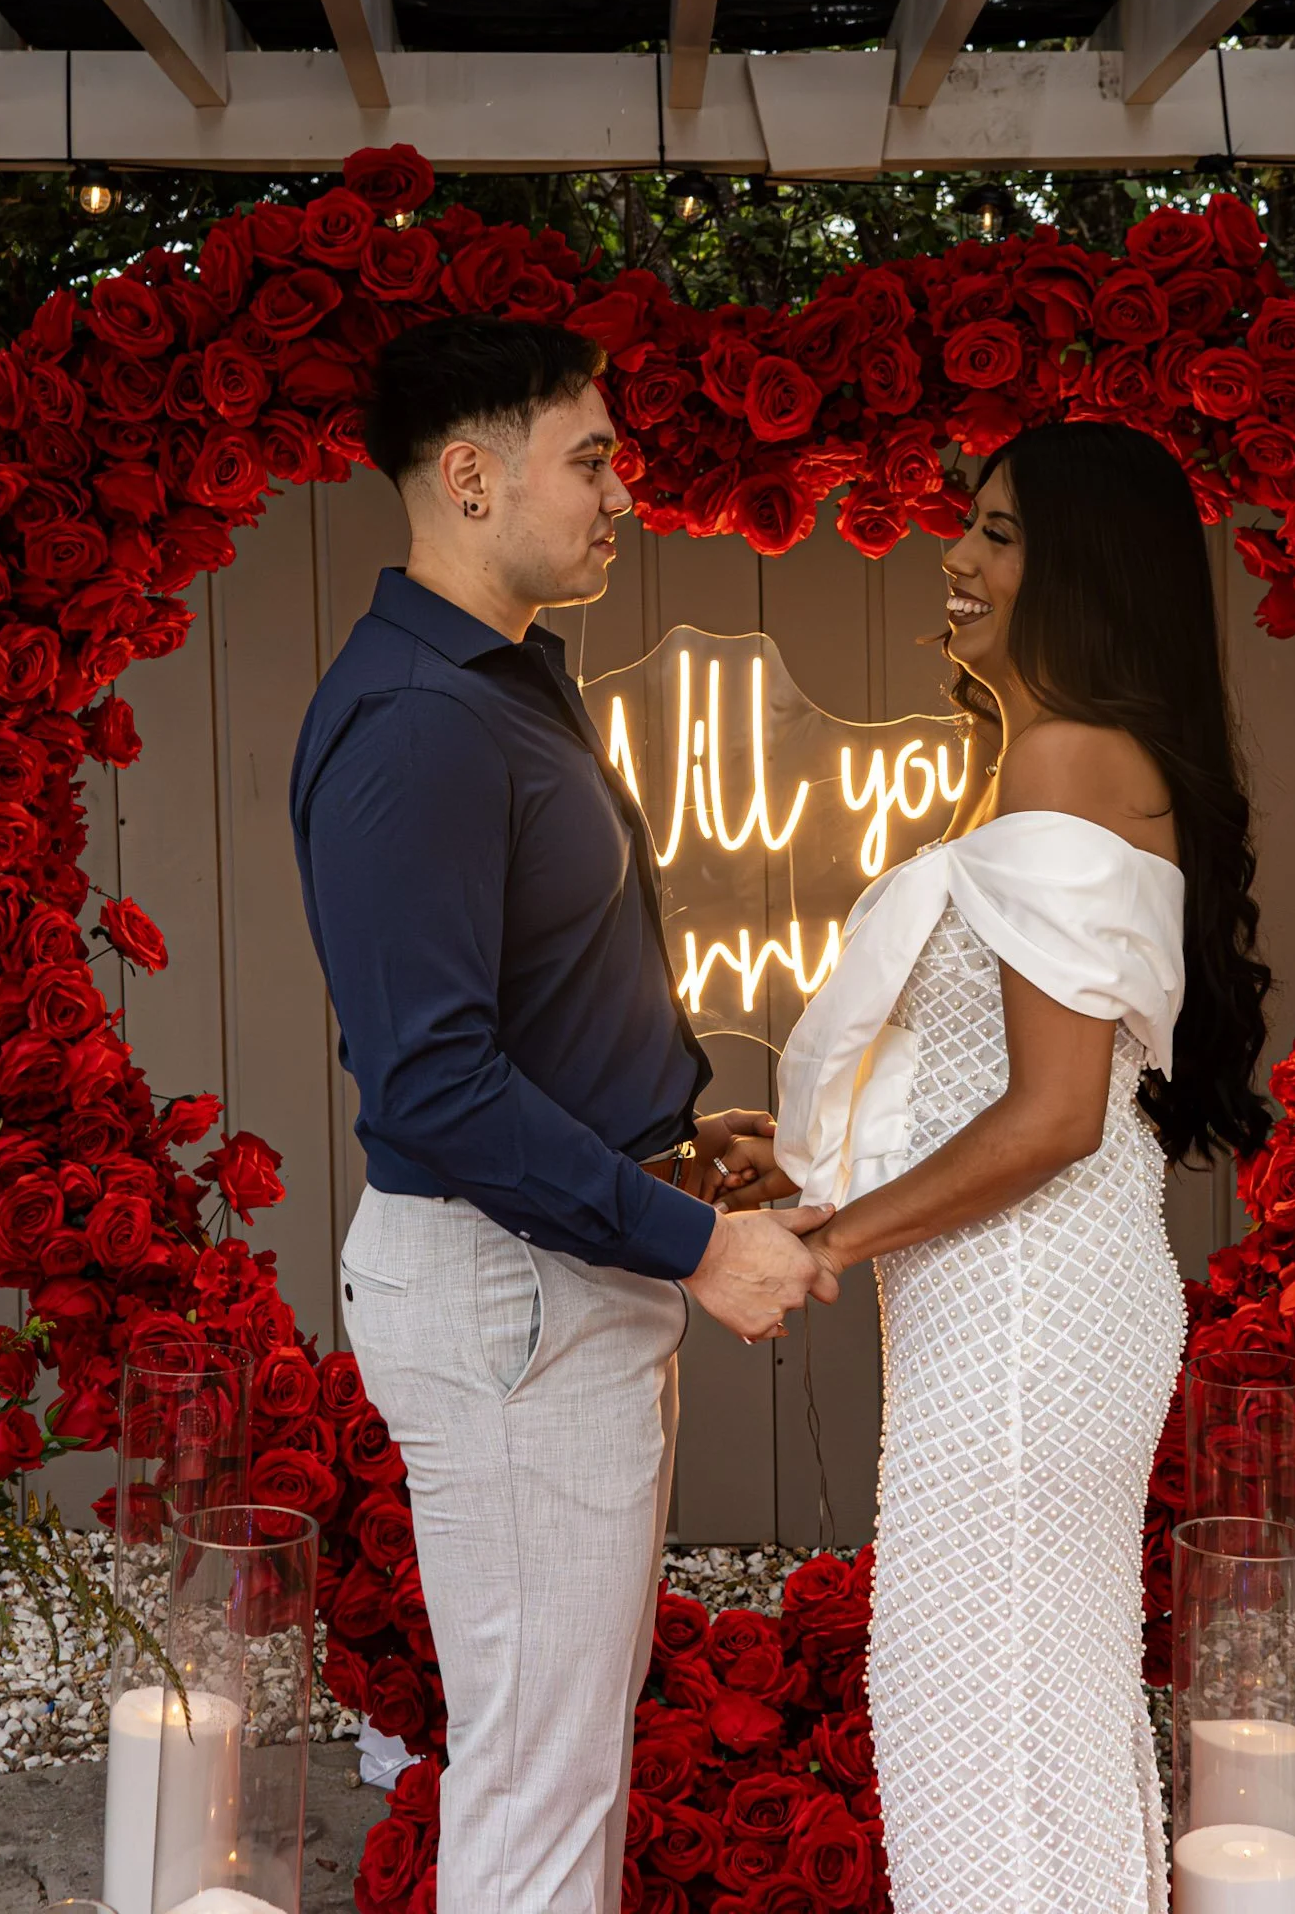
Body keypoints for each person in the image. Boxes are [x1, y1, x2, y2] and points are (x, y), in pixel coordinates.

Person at [289, 315, 834, 1914]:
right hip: (508, 1290)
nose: (620, 495)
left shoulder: (500, 681)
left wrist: (671, 1128)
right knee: (536, 1786)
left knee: (564, 1760)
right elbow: (434, 1083)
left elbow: (526, 997)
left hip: (549, 1265)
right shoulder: (419, 722)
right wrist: (693, 1243)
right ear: (469, 476)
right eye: (589, 461)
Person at [732, 421, 1272, 1911]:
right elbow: (999, 1082)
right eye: (967, 527)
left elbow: (1050, 1116)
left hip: (1029, 1322)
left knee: (976, 1717)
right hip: (1027, 1314)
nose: (956, 563)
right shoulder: (1078, 764)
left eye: (999, 534)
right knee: (1034, 1721)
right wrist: (815, 1167)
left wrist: (828, 1245)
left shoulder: (1062, 759)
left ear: (1087, 572)